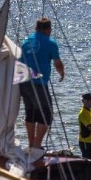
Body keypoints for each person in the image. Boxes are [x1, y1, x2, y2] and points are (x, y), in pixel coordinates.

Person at [19, 17, 65, 148]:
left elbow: (20, 60)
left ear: (36, 29)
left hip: (23, 81)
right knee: (46, 115)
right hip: (38, 83)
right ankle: (37, 145)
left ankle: (31, 143)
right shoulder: (50, 43)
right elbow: (57, 62)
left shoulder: (26, 41)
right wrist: (62, 73)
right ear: (49, 30)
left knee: (31, 113)